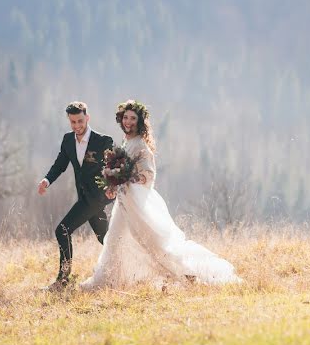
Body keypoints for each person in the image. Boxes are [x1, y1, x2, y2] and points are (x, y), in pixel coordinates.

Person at [80, 99, 241, 290]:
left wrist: (125, 177)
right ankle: (108, 281)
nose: (128, 121)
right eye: (125, 117)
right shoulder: (127, 141)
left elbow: (148, 175)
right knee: (115, 241)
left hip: (136, 204)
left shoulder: (141, 145)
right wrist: (113, 184)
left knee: (154, 244)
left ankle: (187, 272)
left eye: (133, 118)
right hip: (124, 202)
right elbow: (120, 171)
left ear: (139, 122)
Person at [37, 101, 114, 291]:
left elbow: (113, 168)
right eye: (73, 122)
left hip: (97, 198)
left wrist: (111, 186)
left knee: (62, 230)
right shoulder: (67, 140)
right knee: (106, 237)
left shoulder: (103, 141)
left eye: (80, 121)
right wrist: (47, 180)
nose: (77, 125)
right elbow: (60, 164)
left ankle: (63, 280)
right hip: (83, 198)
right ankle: (126, 269)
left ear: (87, 118)